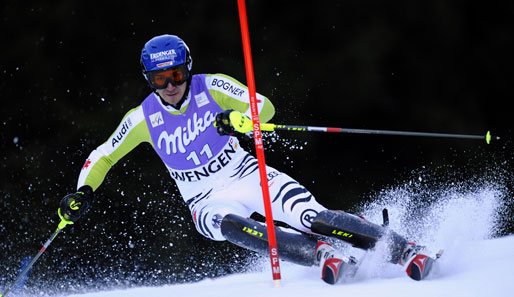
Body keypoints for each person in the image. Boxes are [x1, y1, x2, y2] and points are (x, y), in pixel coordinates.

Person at [58, 34, 434, 284]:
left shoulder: (212, 85)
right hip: (204, 199)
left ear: (187, 69)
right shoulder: (142, 118)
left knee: (311, 217)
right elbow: (102, 156)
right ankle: (319, 254)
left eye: (175, 74)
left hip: (245, 172)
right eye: (159, 80)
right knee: (232, 226)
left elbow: (263, 105)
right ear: (148, 80)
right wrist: (83, 192)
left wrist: (242, 119)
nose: (170, 86)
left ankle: (404, 249)